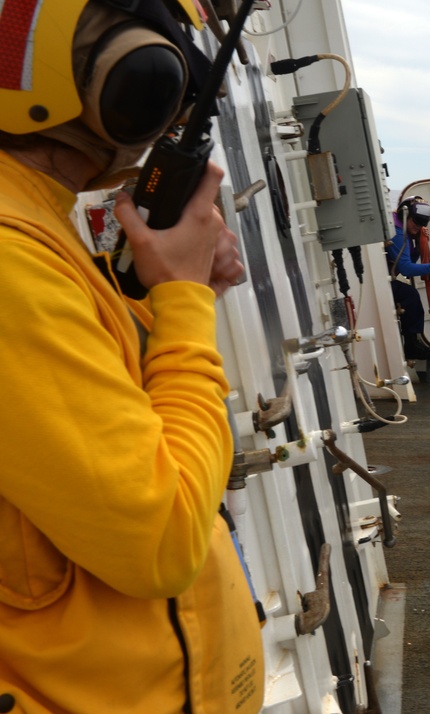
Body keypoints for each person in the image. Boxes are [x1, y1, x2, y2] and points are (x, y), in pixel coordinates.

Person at [0, 2, 264, 712]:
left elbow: (94, 419)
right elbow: (163, 538)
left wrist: (152, 294)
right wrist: (183, 302)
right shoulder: (10, 260)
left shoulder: (34, 227)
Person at [388, 195, 430, 361]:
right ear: (405, 216)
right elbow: (406, 269)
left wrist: (418, 244)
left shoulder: (403, 230)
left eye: (423, 224)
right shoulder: (397, 234)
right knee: (409, 295)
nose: (419, 226)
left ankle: (412, 342)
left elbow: (406, 261)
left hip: (385, 279)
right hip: (379, 283)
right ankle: (411, 346)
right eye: (416, 222)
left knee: (407, 294)